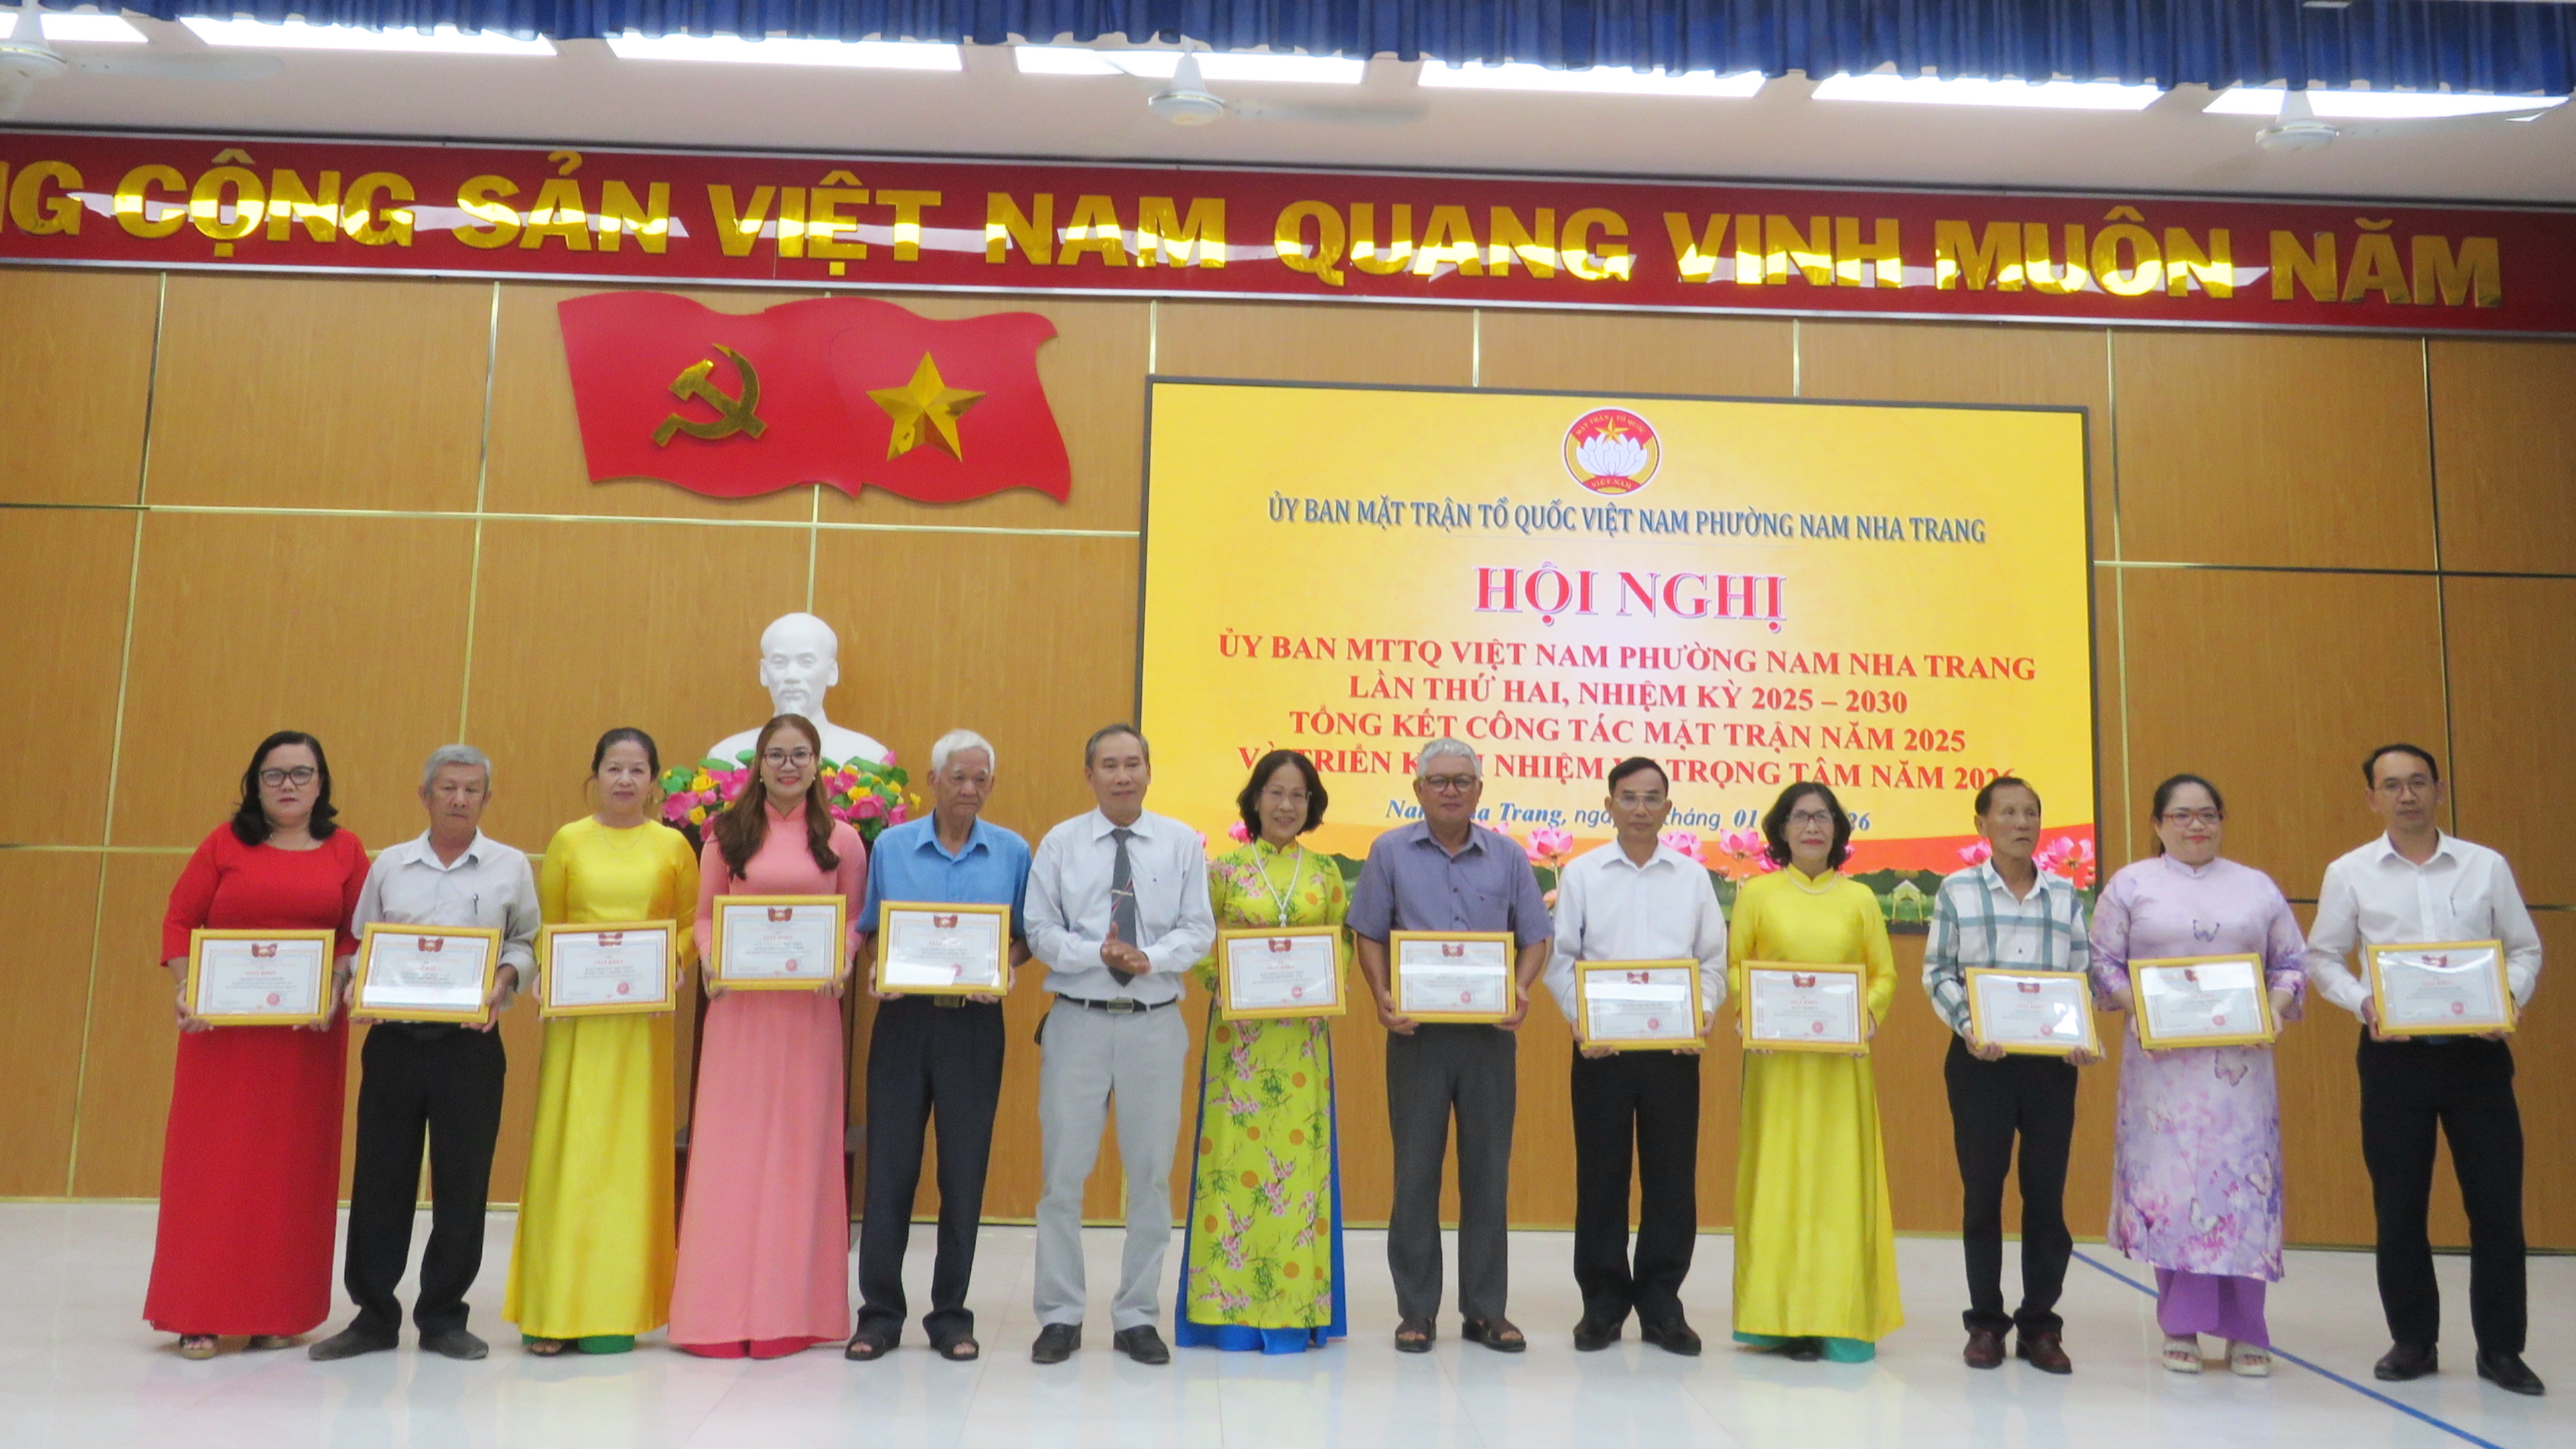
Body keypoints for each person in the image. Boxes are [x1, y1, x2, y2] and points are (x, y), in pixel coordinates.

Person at [2304, 744, 2545, 1396]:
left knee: (2496, 1206)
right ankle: (2413, 1341)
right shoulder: (2349, 872)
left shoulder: (2484, 866)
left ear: (2438, 789)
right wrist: (2364, 1003)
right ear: (2372, 798)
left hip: (2477, 1057)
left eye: (2417, 782)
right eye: (2391, 785)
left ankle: (2502, 1349)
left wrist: (2506, 998)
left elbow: (2524, 948)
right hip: (2394, 1058)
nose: (2405, 795)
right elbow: (2322, 957)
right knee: (2399, 1205)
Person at [311, 745, 539, 1363]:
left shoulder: (510, 866)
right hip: (394, 1043)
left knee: (463, 1182)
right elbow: (363, 941)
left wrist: (504, 980)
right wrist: (358, 983)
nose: (459, 799)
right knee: (380, 1179)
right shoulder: (390, 865)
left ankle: (442, 1317)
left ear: (487, 798)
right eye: (447, 788)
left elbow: (525, 942)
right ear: (425, 795)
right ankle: (373, 1317)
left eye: (472, 789)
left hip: (470, 1045)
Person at [151, 731, 369, 1359]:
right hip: (222, 1041)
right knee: (212, 1171)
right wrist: (188, 986)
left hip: (305, 1042)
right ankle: (198, 1313)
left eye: (302, 773)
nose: (288, 785)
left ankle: (278, 1312)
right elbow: (179, 922)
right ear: (255, 784)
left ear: (322, 783)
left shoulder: (347, 850)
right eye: (274, 775)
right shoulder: (224, 843)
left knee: (290, 1174)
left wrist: (335, 985)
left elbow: (357, 934)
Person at [2090, 773, 2305, 1377]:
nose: (2195, 826)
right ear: (2157, 824)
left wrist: (2273, 1009)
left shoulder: (2255, 887)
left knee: (2241, 1187)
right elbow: (2102, 964)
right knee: (2175, 1188)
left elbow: (2291, 963)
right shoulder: (2130, 885)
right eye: (2181, 815)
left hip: (2239, 1069)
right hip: (2162, 1071)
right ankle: (2179, 1325)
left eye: (2208, 814)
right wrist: (2142, 1009)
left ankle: (2246, 1329)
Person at [1350, 738, 1553, 1356]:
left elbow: (1535, 936)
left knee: (1487, 1173)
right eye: (1438, 781)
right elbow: (1367, 932)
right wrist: (1381, 995)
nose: (1450, 791)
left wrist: (1521, 989)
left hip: (1490, 1039)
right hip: (1417, 1037)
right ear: (1417, 790)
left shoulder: (1508, 856)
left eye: (1462, 781)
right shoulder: (1388, 852)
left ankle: (1486, 1311)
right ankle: (1416, 1311)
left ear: (1479, 790)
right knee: (1415, 1173)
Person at [1025, 724, 1216, 1366]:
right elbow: (1038, 929)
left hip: (1153, 1022)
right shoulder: (1061, 843)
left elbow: (1198, 929)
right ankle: (1060, 1314)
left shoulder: (1181, 842)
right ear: (1090, 775)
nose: (1123, 775)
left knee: (1151, 1177)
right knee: (1061, 1175)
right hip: (1077, 1020)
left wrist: (1149, 958)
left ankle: (1137, 1316)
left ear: (1149, 770)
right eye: (1109, 765)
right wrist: (1097, 954)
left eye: (1133, 763)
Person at [674, 713, 865, 1357]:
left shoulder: (842, 839)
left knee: (797, 1157)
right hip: (740, 1016)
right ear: (758, 764)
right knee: (731, 1157)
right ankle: (716, 1316)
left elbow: (854, 920)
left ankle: (790, 1313)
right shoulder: (725, 836)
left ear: (817, 765)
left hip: (808, 1018)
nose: (788, 766)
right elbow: (705, 918)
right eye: (777, 755)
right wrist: (712, 959)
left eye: (800, 755)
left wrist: (841, 959)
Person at [506, 727, 699, 1356]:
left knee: (628, 1156)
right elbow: (551, 925)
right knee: (569, 1150)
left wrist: (673, 962)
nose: (625, 780)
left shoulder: (674, 845)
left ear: (655, 782)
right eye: (614, 768)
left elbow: (688, 926)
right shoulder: (570, 840)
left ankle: (617, 1308)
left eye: (637, 769)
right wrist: (551, 972)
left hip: (642, 1026)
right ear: (595, 775)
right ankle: (551, 1309)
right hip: (579, 1021)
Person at [847, 729, 1031, 1364]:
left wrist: (1005, 968)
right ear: (932, 781)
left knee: (964, 1172)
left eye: (981, 779)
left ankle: (951, 1316)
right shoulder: (892, 847)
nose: (969, 789)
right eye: (958, 777)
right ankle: (879, 1315)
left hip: (974, 1027)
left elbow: (1023, 936)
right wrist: (879, 966)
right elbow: (873, 928)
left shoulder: (1012, 851)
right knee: (890, 1171)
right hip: (903, 1022)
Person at [1542, 756, 1725, 1356]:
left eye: (1651, 798)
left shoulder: (1692, 878)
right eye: (1628, 797)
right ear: (1609, 805)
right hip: (1602, 1049)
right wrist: (1580, 1021)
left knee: (1671, 1178)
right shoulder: (1582, 874)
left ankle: (1661, 1304)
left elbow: (1712, 962)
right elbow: (1561, 958)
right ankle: (1601, 1304)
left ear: (1668, 808)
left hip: (1673, 1049)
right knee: (1601, 1176)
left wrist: (1700, 1014)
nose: (1640, 809)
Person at [1176, 749, 1351, 1354]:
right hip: (1239, 1045)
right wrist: (1221, 978)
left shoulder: (1325, 872)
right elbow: (1200, 942)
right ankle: (1224, 1314)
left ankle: (1296, 1312)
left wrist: (1326, 981)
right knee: (1232, 1168)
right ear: (1254, 800)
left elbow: (1341, 944)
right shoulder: (1223, 872)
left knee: (1297, 1173)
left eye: (1299, 795)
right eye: (1275, 792)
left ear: (1312, 804)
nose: (1286, 805)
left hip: (1301, 1043)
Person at [1920, 776, 2095, 1376]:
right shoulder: (1957, 890)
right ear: (1982, 825)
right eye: (2008, 813)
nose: (2021, 823)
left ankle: (2041, 1326)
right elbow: (1937, 972)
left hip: (2050, 1068)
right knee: (1982, 1196)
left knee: (2046, 1196)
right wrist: (1972, 1026)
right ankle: (1985, 1324)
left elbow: (2081, 975)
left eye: (2031, 813)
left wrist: (2079, 1033)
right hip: (1979, 1063)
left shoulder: (2065, 895)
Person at [1726, 781, 1902, 1364]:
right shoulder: (1758, 894)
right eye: (1800, 817)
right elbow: (1737, 967)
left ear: (1837, 830)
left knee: (1838, 1187)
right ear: (1781, 829)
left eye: (1823, 817)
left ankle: (1840, 1320)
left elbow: (1883, 975)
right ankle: (1777, 1319)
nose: (1811, 827)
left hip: (1839, 1071)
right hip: (1776, 1068)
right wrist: (1752, 1014)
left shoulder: (1860, 899)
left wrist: (1867, 1016)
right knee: (1778, 1182)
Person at [709, 613, 892, 768]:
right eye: (780, 662)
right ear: (764, 672)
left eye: (806, 662)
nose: (791, 676)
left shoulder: (869, 758)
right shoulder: (727, 757)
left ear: (832, 672)